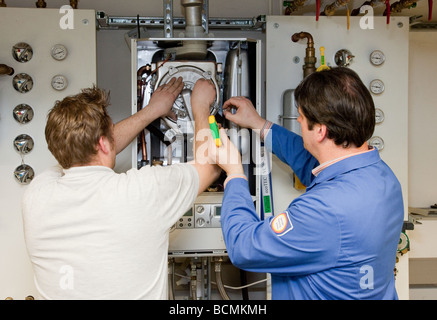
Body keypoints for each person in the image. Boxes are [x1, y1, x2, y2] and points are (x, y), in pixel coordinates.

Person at [203, 67, 404, 299]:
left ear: (320, 131)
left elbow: (244, 247)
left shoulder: (324, 210)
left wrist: (234, 172)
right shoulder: (381, 176)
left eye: (301, 116)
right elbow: (310, 160)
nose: (298, 119)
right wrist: (258, 124)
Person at [22, 77, 221, 299]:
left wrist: (152, 110)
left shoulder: (36, 194)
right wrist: (201, 107)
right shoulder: (142, 191)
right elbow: (210, 165)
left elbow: (81, 149)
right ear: (103, 143)